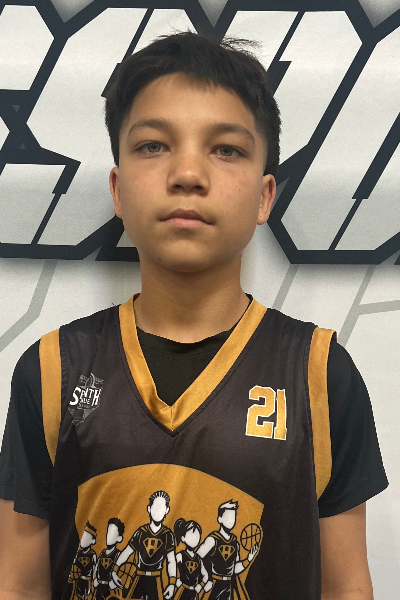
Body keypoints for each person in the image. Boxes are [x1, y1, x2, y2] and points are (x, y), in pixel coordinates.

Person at [0, 29, 388, 600]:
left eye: (226, 149)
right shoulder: (54, 368)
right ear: (117, 190)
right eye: (153, 145)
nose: (187, 173)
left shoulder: (321, 372)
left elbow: (347, 585)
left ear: (264, 196)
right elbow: (19, 583)